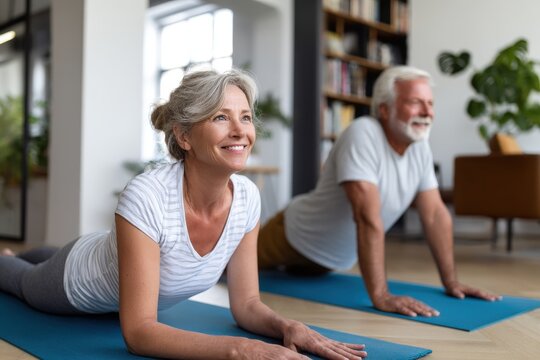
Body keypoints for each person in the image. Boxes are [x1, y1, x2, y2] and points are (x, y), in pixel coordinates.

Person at [0, 69, 367, 359]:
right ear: (185, 136)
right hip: (75, 280)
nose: (240, 131)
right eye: (221, 117)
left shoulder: (247, 199)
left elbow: (247, 304)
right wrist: (239, 349)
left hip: (107, 253)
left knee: (44, 255)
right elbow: (140, 332)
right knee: (21, 281)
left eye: (245, 117)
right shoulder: (148, 195)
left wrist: (288, 326)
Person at [258, 65, 502, 318]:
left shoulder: (420, 146)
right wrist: (381, 295)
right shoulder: (362, 134)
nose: (427, 112)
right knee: (230, 267)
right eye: (416, 103)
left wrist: (451, 281)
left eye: (430, 103)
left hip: (328, 263)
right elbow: (367, 218)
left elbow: (435, 215)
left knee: (283, 279)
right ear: (384, 109)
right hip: (292, 237)